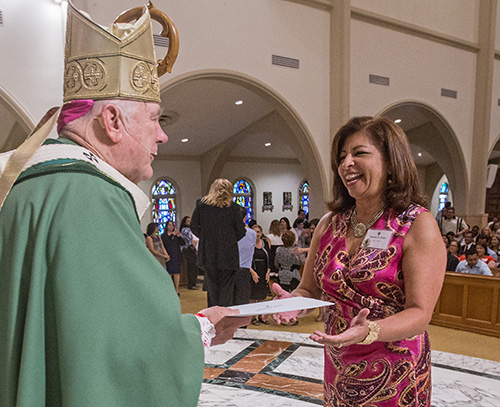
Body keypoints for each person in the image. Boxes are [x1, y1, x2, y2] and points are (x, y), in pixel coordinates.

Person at [0, 4, 249, 406]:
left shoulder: (28, 182)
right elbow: (127, 344)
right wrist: (201, 330)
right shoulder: (89, 195)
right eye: (155, 119)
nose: (163, 136)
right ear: (112, 121)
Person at [273, 116, 446, 406]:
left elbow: (419, 313)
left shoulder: (416, 224)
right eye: (342, 157)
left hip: (395, 368)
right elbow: (310, 290)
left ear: (391, 163)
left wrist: (370, 331)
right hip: (339, 363)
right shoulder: (329, 224)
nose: (346, 163)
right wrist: (291, 304)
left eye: (359, 153)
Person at [191, 178, 246, 307]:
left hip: (208, 251)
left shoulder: (201, 205)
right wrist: (229, 240)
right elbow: (241, 231)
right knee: (227, 288)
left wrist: (206, 238)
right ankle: (224, 316)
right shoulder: (233, 208)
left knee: (212, 287)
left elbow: (194, 226)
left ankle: (213, 318)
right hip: (228, 253)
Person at [234, 207, 257, 306]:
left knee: (230, 302)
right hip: (244, 271)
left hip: (229, 270)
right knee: (242, 302)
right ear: (245, 218)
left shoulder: (227, 233)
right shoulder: (252, 234)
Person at [250, 224, 271, 325]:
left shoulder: (265, 243)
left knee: (262, 296)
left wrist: (268, 271)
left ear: (261, 233)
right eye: (254, 232)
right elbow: (245, 260)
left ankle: (261, 316)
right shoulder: (249, 244)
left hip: (263, 272)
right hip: (253, 272)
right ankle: (253, 317)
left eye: (258, 232)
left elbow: (269, 259)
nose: (256, 234)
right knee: (253, 296)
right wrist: (252, 272)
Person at [162, 220, 185, 295]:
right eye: (169, 225)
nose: (171, 226)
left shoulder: (176, 235)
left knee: (176, 272)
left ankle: (177, 289)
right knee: (169, 273)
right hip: (168, 256)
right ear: (166, 226)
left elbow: (183, 243)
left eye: (172, 225)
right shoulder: (164, 235)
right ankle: (169, 289)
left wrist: (179, 236)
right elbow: (167, 244)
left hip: (176, 255)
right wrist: (172, 235)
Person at [180, 215, 199, 290]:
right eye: (188, 221)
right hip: (189, 249)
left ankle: (194, 283)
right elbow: (190, 239)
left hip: (193, 249)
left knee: (195, 267)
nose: (190, 222)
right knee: (191, 267)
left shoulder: (191, 229)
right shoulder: (185, 230)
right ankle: (191, 284)